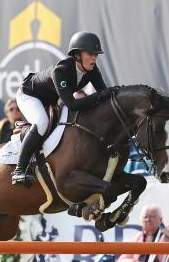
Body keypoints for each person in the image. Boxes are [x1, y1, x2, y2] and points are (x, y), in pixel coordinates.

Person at [12, 31, 113, 186]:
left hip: (52, 99)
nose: (94, 58)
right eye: (90, 54)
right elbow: (72, 104)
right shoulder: (62, 70)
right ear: (77, 55)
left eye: (96, 54)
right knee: (41, 122)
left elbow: (103, 93)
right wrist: (99, 96)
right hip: (29, 95)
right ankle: (19, 169)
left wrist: (115, 94)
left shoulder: (92, 70)